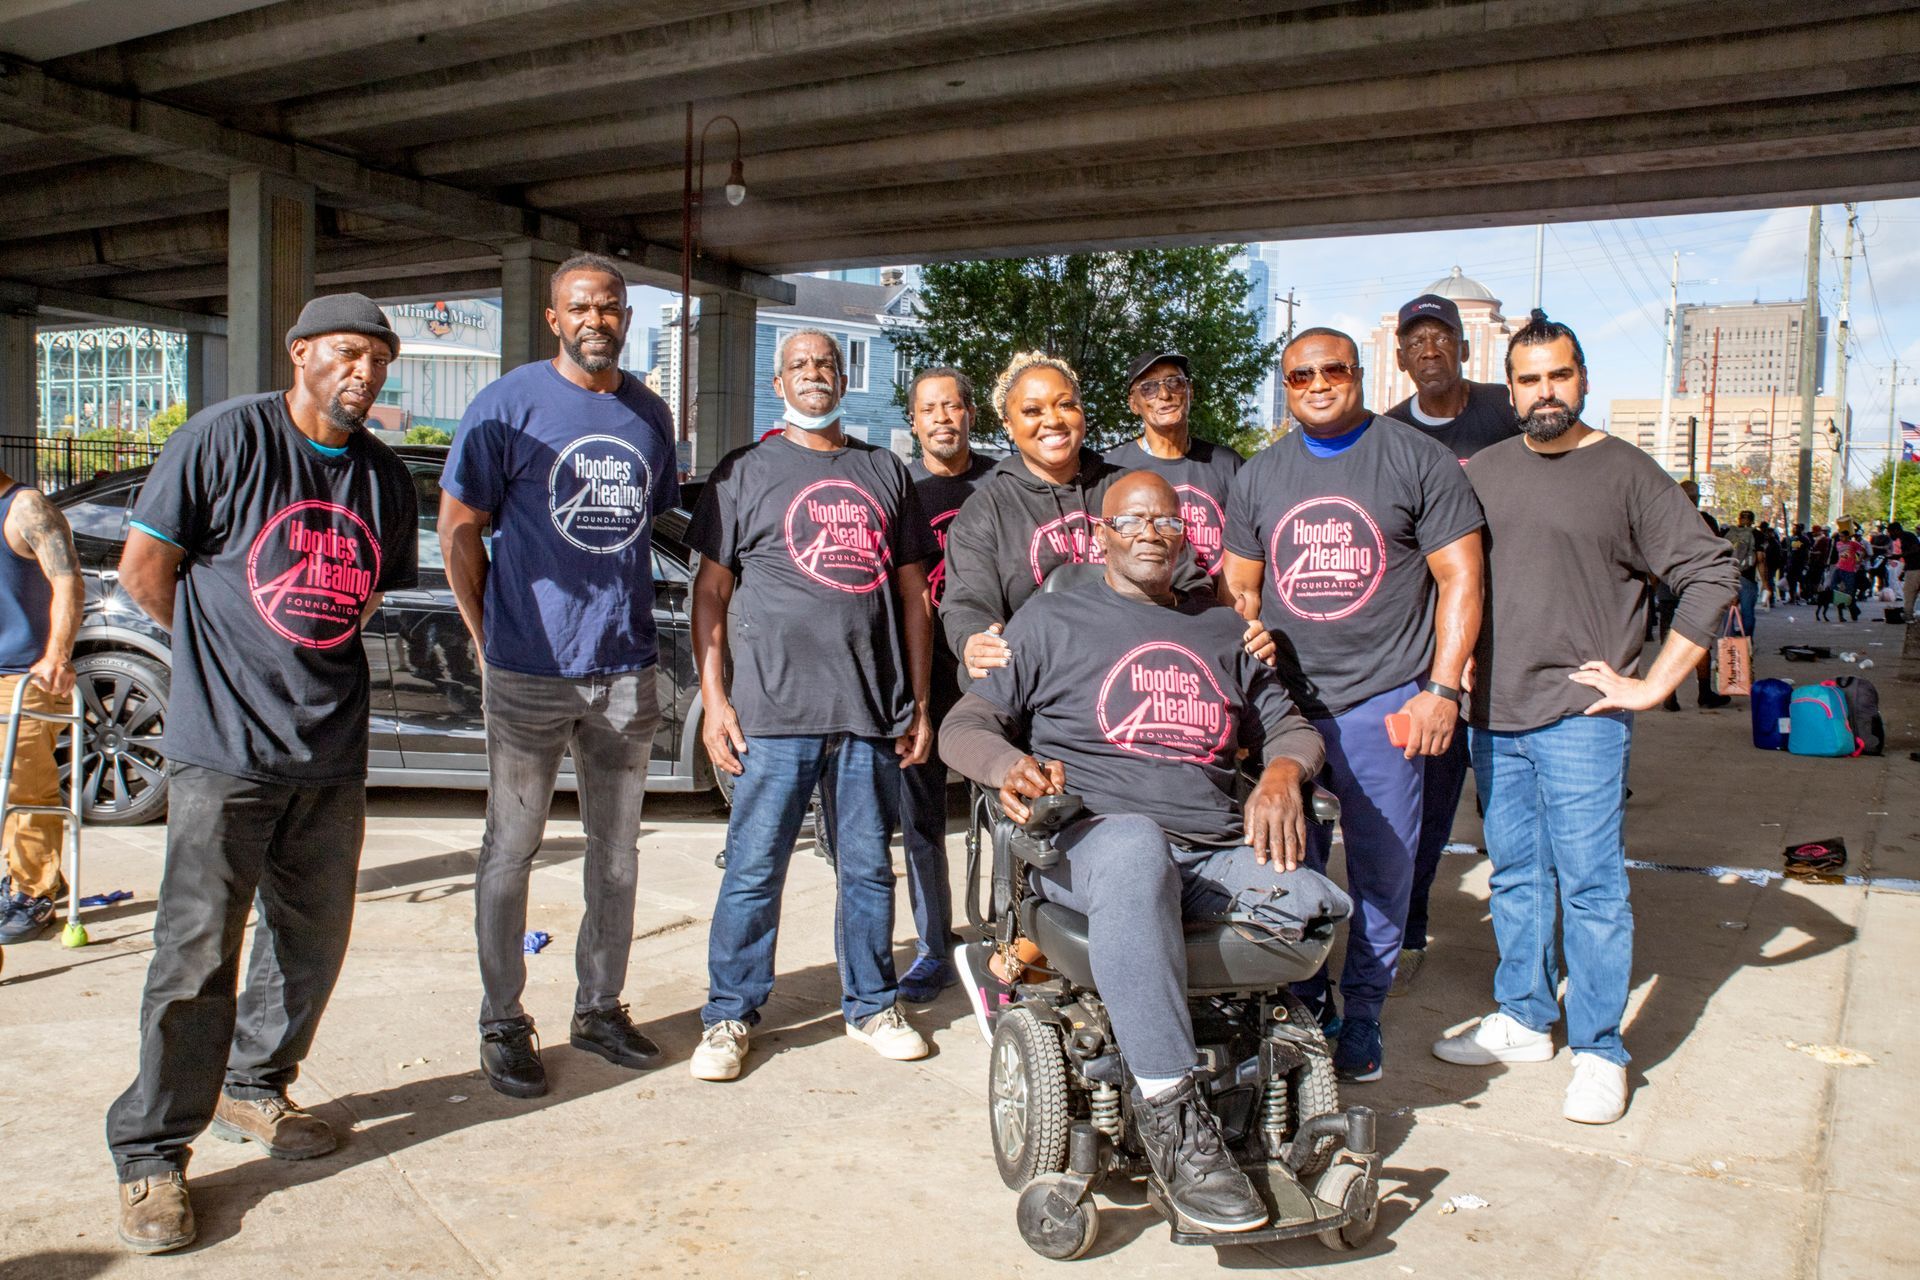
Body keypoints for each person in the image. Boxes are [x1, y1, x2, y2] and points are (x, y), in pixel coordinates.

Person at [940, 470, 1349, 1234]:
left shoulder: (1224, 629)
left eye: (1166, 521)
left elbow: (1291, 727)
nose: (1152, 533)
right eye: (1132, 521)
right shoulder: (1048, 620)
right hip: (1097, 847)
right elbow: (964, 728)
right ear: (1101, 535)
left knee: (1312, 904)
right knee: (1135, 846)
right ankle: (1170, 1115)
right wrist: (1008, 769)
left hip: (1213, 850)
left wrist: (1286, 772)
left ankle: (1265, 1073)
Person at [105, 294, 418, 1254]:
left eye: (378, 359)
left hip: (330, 749)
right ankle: (152, 1152)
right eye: (346, 354)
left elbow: (358, 602)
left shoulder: (384, 479)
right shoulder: (225, 438)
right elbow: (143, 570)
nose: (363, 373)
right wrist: (217, 670)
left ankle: (254, 1087)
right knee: (196, 954)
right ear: (300, 354)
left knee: (311, 938)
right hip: (223, 751)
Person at [1432, 310, 1735, 1126]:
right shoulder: (1484, 470)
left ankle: (1601, 1049)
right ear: (1511, 388)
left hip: (1582, 717)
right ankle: (1527, 1017)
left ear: (1584, 378)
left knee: (1594, 887)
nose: (1544, 393)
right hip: (1494, 713)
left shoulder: (1629, 474)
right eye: (1528, 380)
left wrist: (1651, 683)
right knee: (1518, 877)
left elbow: (1710, 575)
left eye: (1558, 376)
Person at [439, 252, 681, 1099]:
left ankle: (599, 1007)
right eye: (580, 306)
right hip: (529, 672)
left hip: (624, 668)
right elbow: (460, 528)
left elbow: (646, 526)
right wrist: (483, 633)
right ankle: (502, 1021)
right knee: (512, 849)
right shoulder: (506, 404)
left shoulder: (650, 415)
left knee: (616, 857)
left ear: (624, 314)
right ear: (554, 317)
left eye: (610, 306)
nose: (596, 319)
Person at [1220, 327, 1484, 1083]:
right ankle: (1304, 1003)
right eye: (1300, 376)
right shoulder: (1262, 474)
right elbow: (1238, 587)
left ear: (1360, 374)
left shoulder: (1415, 458)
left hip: (1385, 699)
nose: (1318, 383)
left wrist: (1440, 688)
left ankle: (1363, 1012)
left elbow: (1461, 579)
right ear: (1287, 386)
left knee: (1383, 869)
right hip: (1288, 710)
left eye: (1332, 369)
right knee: (1286, 863)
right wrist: (1246, 638)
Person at [687, 328, 937, 1082]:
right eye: (799, 365)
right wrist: (716, 699)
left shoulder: (882, 469)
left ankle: (871, 1005)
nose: (813, 375)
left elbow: (914, 597)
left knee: (866, 869)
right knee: (755, 869)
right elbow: (711, 592)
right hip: (773, 711)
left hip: (869, 711)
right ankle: (729, 1015)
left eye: (825, 364)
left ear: (842, 376)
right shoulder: (744, 472)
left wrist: (920, 702)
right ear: (778, 379)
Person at [940, 352, 1265, 688]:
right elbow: (968, 603)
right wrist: (973, 640)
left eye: (1065, 404)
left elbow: (1188, 582)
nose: (1052, 420)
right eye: (1032, 411)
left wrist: (1229, 632)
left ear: (1081, 409)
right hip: (1043, 693)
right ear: (1008, 423)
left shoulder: (1129, 488)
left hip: (1141, 681)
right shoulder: (985, 510)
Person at [1381, 292, 1520, 994]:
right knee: (1427, 797)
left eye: (1444, 336)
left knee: (1513, 805)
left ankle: (1530, 945)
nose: (1430, 348)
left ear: (1467, 349)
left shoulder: (1510, 410)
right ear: (1400, 357)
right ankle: (1410, 914)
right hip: (1429, 647)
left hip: (1515, 635)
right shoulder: (1387, 436)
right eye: (1417, 339)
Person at [894, 365, 996, 1002]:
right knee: (923, 823)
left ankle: (1014, 944)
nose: (942, 419)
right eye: (929, 409)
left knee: (1012, 818)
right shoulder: (901, 492)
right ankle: (934, 947)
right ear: (914, 421)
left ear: (970, 416)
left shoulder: (1002, 483)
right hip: (925, 679)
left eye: (953, 407)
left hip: (999, 678)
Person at [0, 466, 81, 946]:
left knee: (23, 786)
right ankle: (29, 875)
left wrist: (57, 654)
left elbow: (67, 581)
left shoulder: (27, 508)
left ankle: (34, 893)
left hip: (22, 674)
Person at [1101, 350, 1242, 574]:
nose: (1164, 394)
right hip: (1144, 606)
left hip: (1215, 604)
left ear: (1190, 391)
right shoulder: (1112, 470)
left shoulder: (1228, 464)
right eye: (1149, 388)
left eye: (1174, 382)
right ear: (1133, 404)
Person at [1725, 510, 1760, 637]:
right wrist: (1766, 582)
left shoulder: (1728, 533)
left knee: (1729, 612)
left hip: (1729, 577)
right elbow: (1760, 558)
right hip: (1747, 578)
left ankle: (1729, 642)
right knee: (1747, 613)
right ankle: (1746, 642)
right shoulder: (1756, 534)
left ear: (1739, 519)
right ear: (1752, 521)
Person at [1831, 521, 1866, 622]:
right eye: (1840, 536)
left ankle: (1853, 611)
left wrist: (1859, 560)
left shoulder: (1853, 544)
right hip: (1839, 568)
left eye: (1843, 536)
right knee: (1835, 590)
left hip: (1849, 570)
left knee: (1849, 593)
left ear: (1848, 537)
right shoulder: (1838, 543)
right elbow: (1833, 536)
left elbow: (1863, 550)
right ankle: (1841, 614)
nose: (1841, 538)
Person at [1894, 521, 1920, 619]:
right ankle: (1908, 613)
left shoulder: (1907, 537)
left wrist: (1899, 555)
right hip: (1912, 568)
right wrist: (1904, 571)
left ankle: (1908, 615)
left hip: (1915, 569)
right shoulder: (1907, 537)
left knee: (1909, 593)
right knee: (1910, 593)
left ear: (1896, 530)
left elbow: (1915, 551)